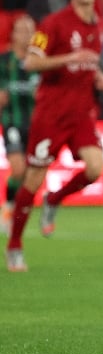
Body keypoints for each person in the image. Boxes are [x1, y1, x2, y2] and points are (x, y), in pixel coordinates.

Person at [5, 0, 103, 272]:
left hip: (81, 115)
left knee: (95, 169)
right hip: (50, 116)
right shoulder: (53, 23)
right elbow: (31, 63)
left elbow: (86, 64)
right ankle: (14, 245)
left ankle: (55, 199)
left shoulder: (97, 25)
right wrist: (69, 57)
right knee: (32, 180)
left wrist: (98, 75)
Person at [0, 15, 40, 235]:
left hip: (36, 125)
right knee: (18, 169)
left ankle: (13, 207)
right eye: (21, 30)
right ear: (13, 34)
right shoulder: (4, 62)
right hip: (12, 122)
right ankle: (8, 206)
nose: (26, 34)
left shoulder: (40, 63)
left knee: (28, 176)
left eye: (30, 30)